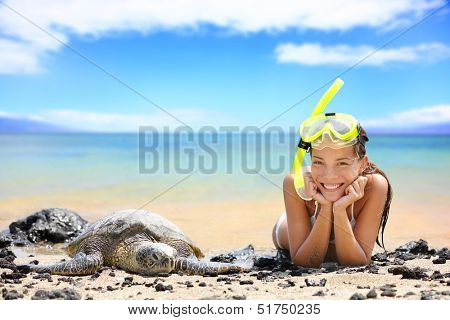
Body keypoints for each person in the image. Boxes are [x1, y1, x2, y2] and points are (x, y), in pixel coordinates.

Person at [272, 112, 393, 268]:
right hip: (286, 230)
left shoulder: (375, 186)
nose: (329, 176)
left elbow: (356, 263)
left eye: (342, 163)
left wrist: (340, 210)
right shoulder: (296, 183)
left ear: (362, 164)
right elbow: (305, 262)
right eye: (318, 162)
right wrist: (325, 206)